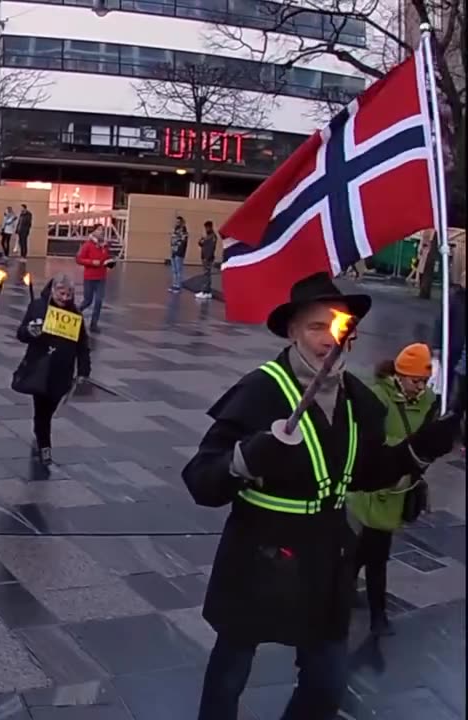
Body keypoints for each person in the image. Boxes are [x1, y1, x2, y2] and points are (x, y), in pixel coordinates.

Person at [182, 273, 461, 719]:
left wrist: (423, 447)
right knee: (230, 673)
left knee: (327, 685)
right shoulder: (263, 389)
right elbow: (201, 480)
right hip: (260, 553)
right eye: (316, 326)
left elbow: (366, 472)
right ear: (292, 331)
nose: (330, 338)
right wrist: (250, 456)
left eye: (340, 326)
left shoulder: (357, 399)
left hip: (327, 557)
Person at [347, 344, 437, 636]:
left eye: (424, 381)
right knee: (377, 553)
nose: (420, 387)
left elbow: (430, 440)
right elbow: (368, 439)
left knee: (365, 550)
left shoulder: (430, 401)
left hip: (402, 487)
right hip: (377, 486)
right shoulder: (377, 396)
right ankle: (378, 615)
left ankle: (340, 587)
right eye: (415, 381)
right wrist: (405, 450)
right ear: (399, 375)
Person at [14, 275, 91, 466]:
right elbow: (21, 333)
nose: (65, 298)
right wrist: (30, 331)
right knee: (42, 409)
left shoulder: (75, 315)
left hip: (62, 370)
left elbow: (82, 345)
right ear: (53, 290)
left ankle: (40, 428)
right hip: (40, 367)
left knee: (50, 408)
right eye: (61, 293)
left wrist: (83, 372)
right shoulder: (38, 306)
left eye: (69, 294)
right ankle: (44, 445)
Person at [75, 226, 112, 334]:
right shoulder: (88, 245)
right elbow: (79, 259)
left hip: (101, 277)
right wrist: (91, 262)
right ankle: (74, 313)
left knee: (99, 301)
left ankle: (94, 324)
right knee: (88, 300)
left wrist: (109, 263)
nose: (101, 233)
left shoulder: (104, 246)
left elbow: (105, 258)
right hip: (90, 277)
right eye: (99, 230)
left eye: (102, 231)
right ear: (94, 232)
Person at [198, 220, 218, 300]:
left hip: (208, 258)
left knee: (206, 275)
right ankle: (207, 291)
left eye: (207, 228)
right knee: (206, 275)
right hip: (204, 257)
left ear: (210, 227)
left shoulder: (212, 236)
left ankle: (205, 292)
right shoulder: (206, 236)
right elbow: (200, 243)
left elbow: (211, 248)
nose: (206, 229)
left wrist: (207, 257)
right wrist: (201, 239)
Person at [169, 216, 189, 292]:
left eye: (178, 221)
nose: (177, 223)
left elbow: (183, 243)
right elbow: (172, 241)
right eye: (176, 221)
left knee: (179, 270)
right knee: (174, 270)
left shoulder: (184, 231)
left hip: (179, 253)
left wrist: (178, 251)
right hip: (173, 252)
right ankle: (174, 284)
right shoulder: (175, 230)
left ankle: (178, 286)